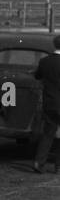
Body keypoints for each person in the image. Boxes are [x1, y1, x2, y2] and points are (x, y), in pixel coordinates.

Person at [32, 34, 60, 173]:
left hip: (49, 102)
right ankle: (58, 165)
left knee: (48, 134)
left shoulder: (44, 61)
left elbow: (37, 76)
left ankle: (39, 162)